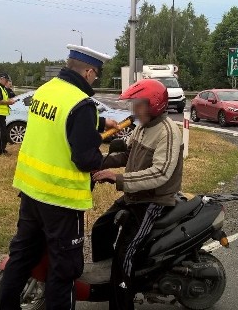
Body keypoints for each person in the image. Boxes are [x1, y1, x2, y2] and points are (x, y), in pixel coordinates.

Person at [0, 44, 119, 310]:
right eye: (95, 74)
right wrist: (103, 159)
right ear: (87, 72)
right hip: (62, 201)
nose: (95, 79)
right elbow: (86, 159)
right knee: (63, 271)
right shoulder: (81, 103)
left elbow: (60, 120)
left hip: (31, 192)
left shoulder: (47, 89)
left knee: (22, 257)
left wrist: (99, 123)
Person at [93, 79, 183, 310]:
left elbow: (160, 173)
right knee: (101, 228)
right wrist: (97, 164)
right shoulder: (142, 126)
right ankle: (107, 280)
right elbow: (126, 154)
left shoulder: (168, 132)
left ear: (154, 105)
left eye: (139, 104)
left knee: (126, 253)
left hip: (153, 200)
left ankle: (122, 299)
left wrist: (118, 178)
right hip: (135, 195)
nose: (134, 109)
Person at [0, 73, 16, 155]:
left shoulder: (1, 88)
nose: (7, 82)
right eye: (6, 80)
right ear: (1, 79)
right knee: (1, 133)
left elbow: (7, 96)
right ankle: (1, 151)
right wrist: (9, 102)